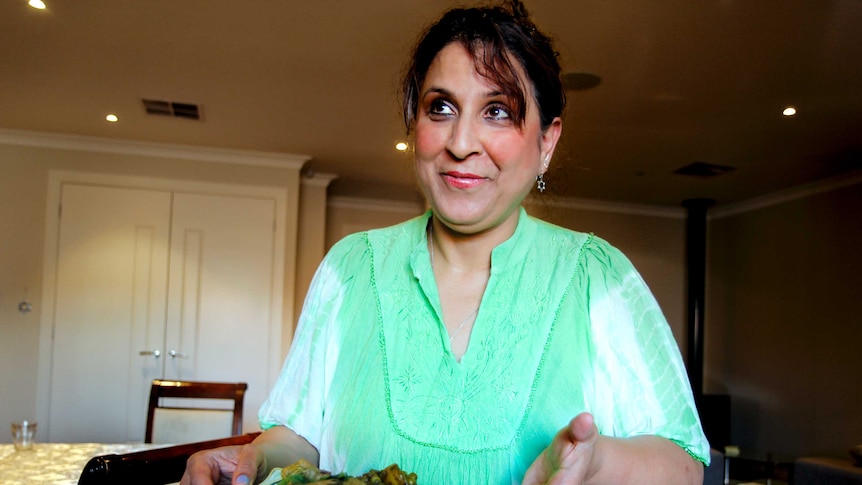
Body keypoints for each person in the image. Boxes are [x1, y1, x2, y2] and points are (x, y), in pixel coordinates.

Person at [182, 1, 710, 484]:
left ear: (547, 142)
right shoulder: (349, 267)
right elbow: (300, 437)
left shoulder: (599, 276)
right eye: (441, 108)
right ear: (415, 126)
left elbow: (684, 463)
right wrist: (253, 458)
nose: (460, 143)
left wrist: (598, 464)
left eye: (497, 111)